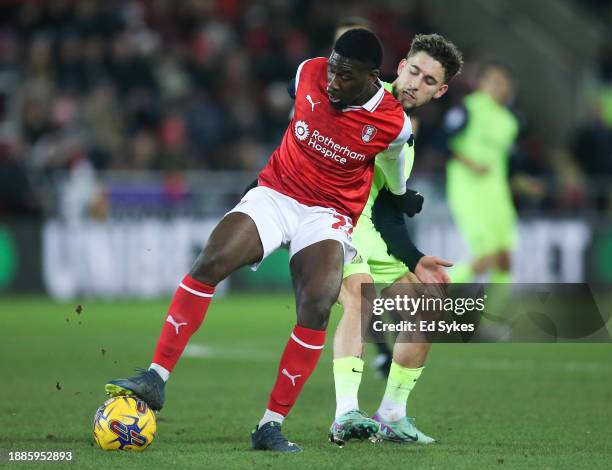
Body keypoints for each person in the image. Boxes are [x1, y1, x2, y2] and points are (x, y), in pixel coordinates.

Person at [105, 29, 417, 453]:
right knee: (211, 260)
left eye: (345, 75)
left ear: (370, 77)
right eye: (332, 68)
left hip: (327, 215)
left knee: (316, 306)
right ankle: (155, 377)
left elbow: (395, 163)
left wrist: (400, 195)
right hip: (276, 193)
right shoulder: (309, 72)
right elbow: (299, 103)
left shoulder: (393, 122)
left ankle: (271, 425)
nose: (333, 81)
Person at [328, 33, 463, 446]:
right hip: (329, 220)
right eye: (413, 72)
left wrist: (416, 258)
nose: (414, 85)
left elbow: (387, 207)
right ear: (400, 65)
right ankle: (345, 415)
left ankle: (391, 415)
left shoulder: (403, 133)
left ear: (439, 91)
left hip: (367, 227)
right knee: (360, 297)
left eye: (427, 81)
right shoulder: (361, 97)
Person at [444, 62, 519, 284]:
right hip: (468, 191)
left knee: (505, 260)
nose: (502, 87)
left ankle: (493, 318)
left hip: (498, 196)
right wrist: (469, 163)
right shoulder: (467, 109)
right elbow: (440, 144)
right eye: (496, 82)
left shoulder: (510, 122)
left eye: (505, 83)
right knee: (487, 256)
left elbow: (505, 163)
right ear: (481, 84)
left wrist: (521, 182)